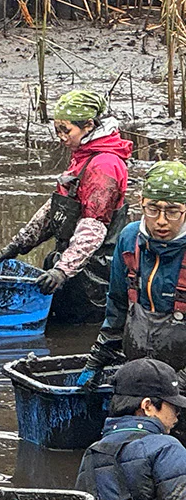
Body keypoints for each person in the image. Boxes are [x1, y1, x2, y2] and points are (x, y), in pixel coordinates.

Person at [0, 90, 130, 325]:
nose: (61, 137)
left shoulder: (105, 165)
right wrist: (18, 245)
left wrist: (62, 271)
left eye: (66, 130)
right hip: (74, 267)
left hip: (94, 277)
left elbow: (92, 228)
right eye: (57, 130)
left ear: (88, 125)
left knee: (79, 331)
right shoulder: (83, 157)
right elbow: (55, 208)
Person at [75, 358, 186, 500]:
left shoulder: (91, 453)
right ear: (147, 406)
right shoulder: (166, 447)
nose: (177, 415)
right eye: (172, 405)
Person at [83, 161, 186, 380]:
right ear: (141, 203)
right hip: (138, 369)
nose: (161, 221)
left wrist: (180, 385)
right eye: (153, 209)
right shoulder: (129, 240)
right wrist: (99, 355)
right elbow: (118, 305)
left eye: (172, 211)